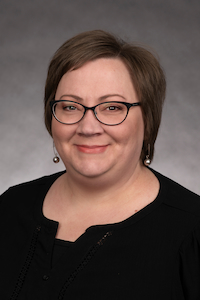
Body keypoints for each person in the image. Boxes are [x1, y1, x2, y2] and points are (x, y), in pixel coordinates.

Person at [1, 30, 200, 300]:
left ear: (148, 119)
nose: (88, 127)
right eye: (70, 107)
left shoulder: (191, 230)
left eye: (113, 108)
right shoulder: (11, 207)